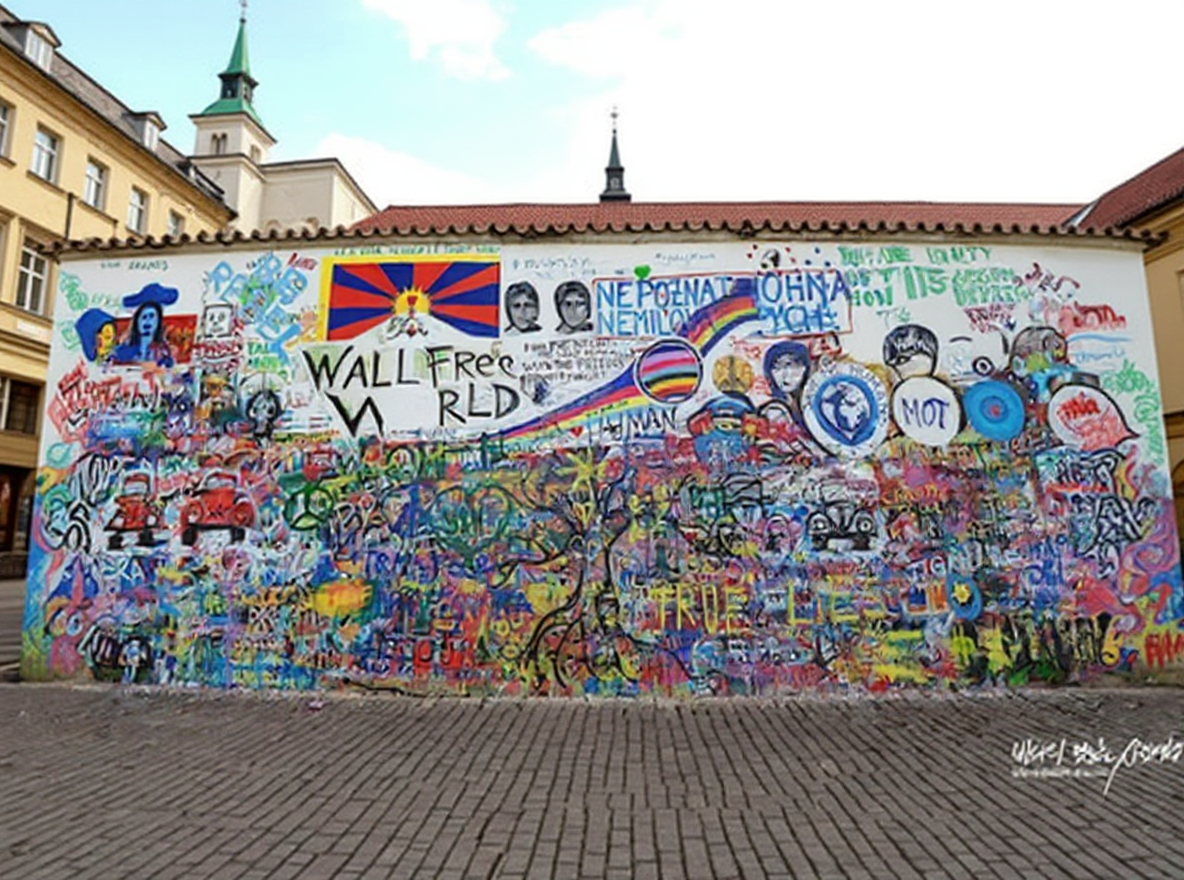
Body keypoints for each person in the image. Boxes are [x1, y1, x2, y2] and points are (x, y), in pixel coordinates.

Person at [112, 301, 174, 366]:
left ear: (158, 321)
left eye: (151, 316)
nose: (147, 321)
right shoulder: (123, 349)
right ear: (137, 322)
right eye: (144, 317)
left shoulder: (164, 350)